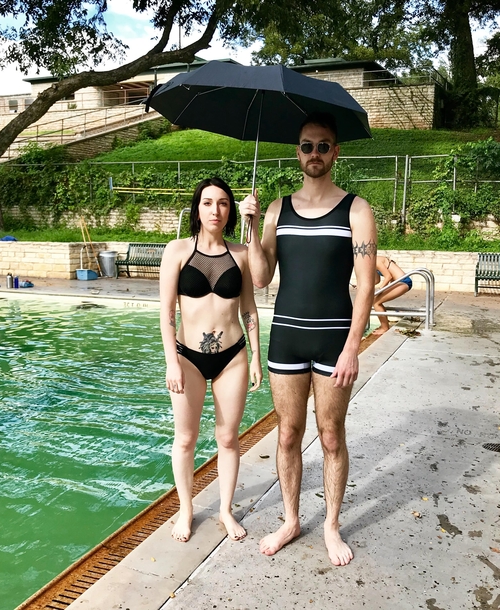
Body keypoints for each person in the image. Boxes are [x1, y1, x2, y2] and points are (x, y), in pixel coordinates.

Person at [239, 112, 377, 566]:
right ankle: (291, 519)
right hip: (287, 339)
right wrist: (250, 226)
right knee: (287, 435)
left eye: (322, 146)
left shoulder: (356, 210)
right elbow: (260, 278)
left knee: (331, 435)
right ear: (296, 152)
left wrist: (353, 345)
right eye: (306, 145)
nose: (313, 153)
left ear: (335, 152)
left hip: (335, 338)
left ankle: (332, 526)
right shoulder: (277, 209)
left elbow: (365, 283)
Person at [160, 177, 263, 544]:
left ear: (230, 210)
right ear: (196, 208)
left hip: (232, 356)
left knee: (228, 438)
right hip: (187, 357)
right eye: (207, 202)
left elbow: (249, 308)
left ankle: (224, 510)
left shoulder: (241, 254)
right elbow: (166, 314)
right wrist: (172, 361)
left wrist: (255, 357)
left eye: (222, 203)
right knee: (185, 438)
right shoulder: (176, 251)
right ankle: (186, 509)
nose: (215, 210)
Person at [372, 255, 412, 335]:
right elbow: (377, 280)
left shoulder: (376, 261)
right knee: (376, 301)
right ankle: (384, 326)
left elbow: (388, 277)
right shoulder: (373, 263)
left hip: (403, 281)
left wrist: (381, 289)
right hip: (398, 282)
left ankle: (385, 328)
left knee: (376, 302)